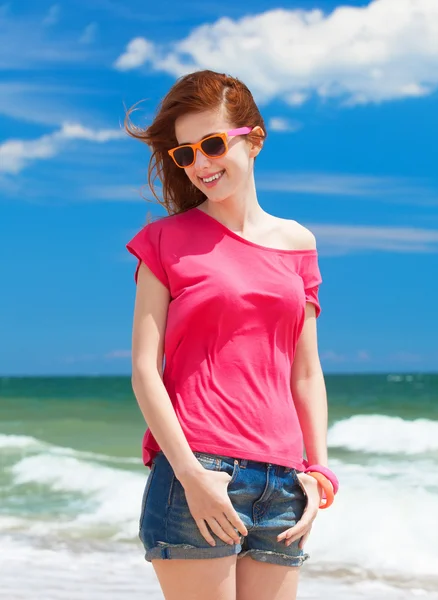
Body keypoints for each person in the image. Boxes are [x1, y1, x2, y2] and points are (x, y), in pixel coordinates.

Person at [125, 69, 338, 600]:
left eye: (213, 144)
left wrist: (319, 471)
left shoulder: (298, 244)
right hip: (197, 471)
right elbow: (144, 371)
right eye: (185, 154)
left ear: (255, 140)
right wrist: (191, 475)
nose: (200, 164)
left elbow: (305, 371)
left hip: (285, 483)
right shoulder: (163, 242)